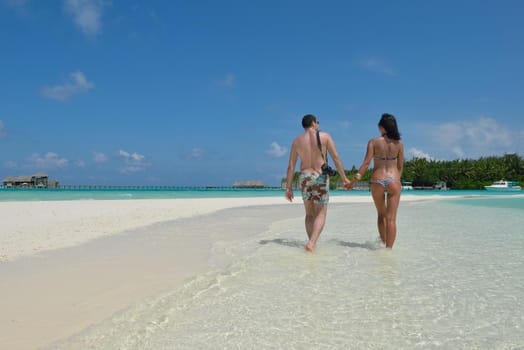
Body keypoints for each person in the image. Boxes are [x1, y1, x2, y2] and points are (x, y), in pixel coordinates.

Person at [285, 114, 350, 252]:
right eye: (317, 122)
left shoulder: (297, 141)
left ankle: (311, 243)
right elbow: (336, 158)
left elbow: (291, 166)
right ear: (314, 123)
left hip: (304, 177)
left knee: (309, 214)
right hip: (319, 177)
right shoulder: (325, 136)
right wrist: (344, 178)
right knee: (320, 214)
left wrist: (288, 188)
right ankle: (312, 243)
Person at [346, 113, 404, 249]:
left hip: (377, 180)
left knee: (381, 215)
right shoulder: (399, 144)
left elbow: (366, 164)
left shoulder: (373, 142)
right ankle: (389, 250)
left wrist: (352, 182)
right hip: (394, 179)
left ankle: (383, 244)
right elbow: (400, 166)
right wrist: (397, 181)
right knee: (391, 219)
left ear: (382, 127)